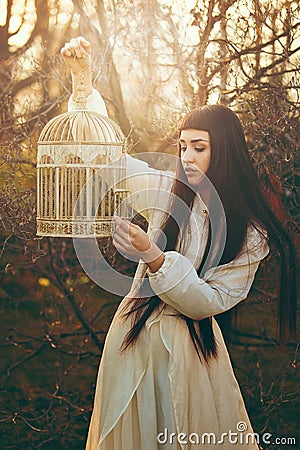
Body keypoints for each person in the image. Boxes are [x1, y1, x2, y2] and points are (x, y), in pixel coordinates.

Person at [60, 37, 297, 450]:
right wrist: (83, 86)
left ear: (224, 152)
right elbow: (107, 158)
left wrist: (154, 257)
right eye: (182, 146)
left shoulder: (251, 234)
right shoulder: (164, 194)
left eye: (199, 148)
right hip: (132, 343)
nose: (186, 156)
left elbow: (206, 302)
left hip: (191, 356)